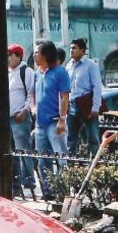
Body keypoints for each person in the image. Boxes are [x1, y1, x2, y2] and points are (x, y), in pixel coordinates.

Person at [32, 39, 71, 199]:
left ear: (46, 54)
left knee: (61, 158)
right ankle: (48, 191)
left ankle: (63, 190)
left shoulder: (60, 73)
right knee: (43, 160)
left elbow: (64, 97)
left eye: (37, 52)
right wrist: (33, 107)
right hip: (40, 124)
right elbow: (33, 94)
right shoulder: (38, 74)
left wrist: (62, 119)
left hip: (55, 122)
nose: (34, 55)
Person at [7, 44, 37, 195]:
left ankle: (29, 180)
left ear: (17, 56)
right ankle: (16, 182)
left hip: (20, 116)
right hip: (8, 117)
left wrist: (25, 111)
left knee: (23, 149)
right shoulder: (6, 72)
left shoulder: (26, 71)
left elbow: (30, 93)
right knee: (11, 151)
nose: (7, 58)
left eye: (10, 55)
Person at [66, 38, 103, 156]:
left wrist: (95, 107)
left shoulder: (91, 65)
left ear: (82, 50)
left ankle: (96, 166)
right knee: (71, 138)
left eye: (74, 48)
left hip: (86, 104)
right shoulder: (69, 66)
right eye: (70, 48)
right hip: (72, 104)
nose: (71, 51)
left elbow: (97, 87)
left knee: (93, 137)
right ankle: (70, 166)